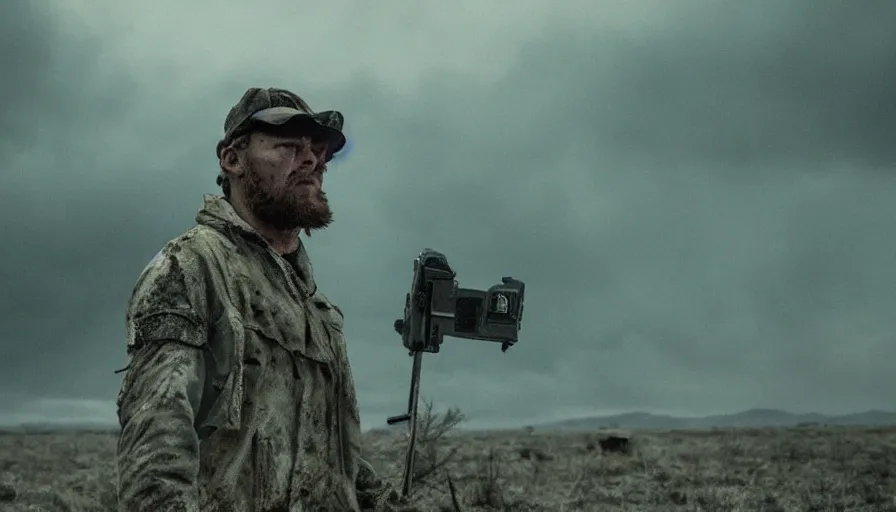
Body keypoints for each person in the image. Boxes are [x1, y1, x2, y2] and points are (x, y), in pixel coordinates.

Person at [115, 87, 401, 511]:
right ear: (232, 160)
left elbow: (335, 458)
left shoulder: (319, 311)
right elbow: (156, 455)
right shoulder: (192, 266)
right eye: (289, 145)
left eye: (319, 151)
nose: (312, 161)